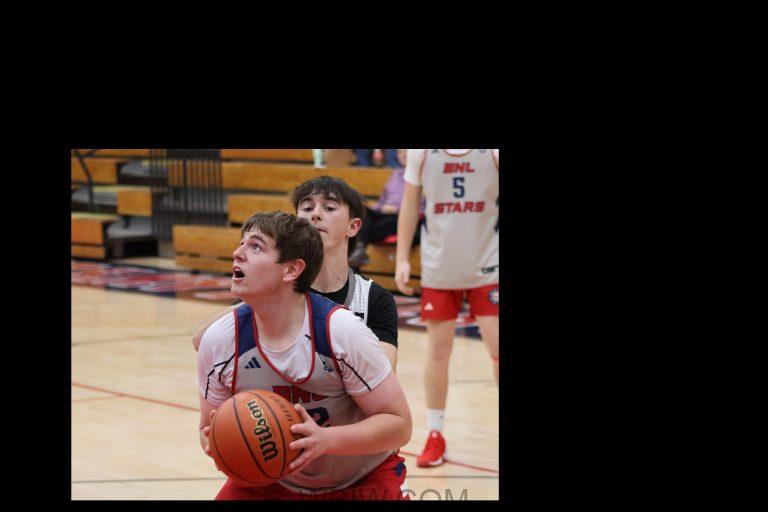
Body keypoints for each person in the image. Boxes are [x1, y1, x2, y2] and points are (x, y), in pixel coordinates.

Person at [197, 211, 412, 500]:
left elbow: (400, 425)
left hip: (361, 479)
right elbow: (207, 429)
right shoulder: (220, 340)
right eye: (241, 243)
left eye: (256, 246)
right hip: (272, 483)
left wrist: (325, 440)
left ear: (291, 269)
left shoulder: (341, 331)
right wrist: (220, 441)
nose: (238, 253)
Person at [193, 176, 401, 372]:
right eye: (307, 208)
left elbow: (384, 373)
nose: (315, 215)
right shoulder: (275, 284)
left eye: (329, 208)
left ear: (353, 226)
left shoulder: (374, 298)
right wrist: (257, 302)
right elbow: (201, 340)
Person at [394, 148, 499, 468]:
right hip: (440, 268)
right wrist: (401, 258)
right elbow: (409, 205)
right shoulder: (421, 154)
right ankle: (435, 433)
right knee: (438, 351)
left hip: (489, 266)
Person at [348, 148, 424, 268]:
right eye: (400, 152)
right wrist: (377, 209)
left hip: (403, 217)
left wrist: (396, 209)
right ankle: (358, 250)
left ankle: (357, 253)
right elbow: (383, 199)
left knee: (368, 228)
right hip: (384, 213)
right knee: (363, 211)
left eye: (406, 151)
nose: (403, 155)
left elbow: (422, 208)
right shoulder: (395, 174)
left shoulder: (422, 175)